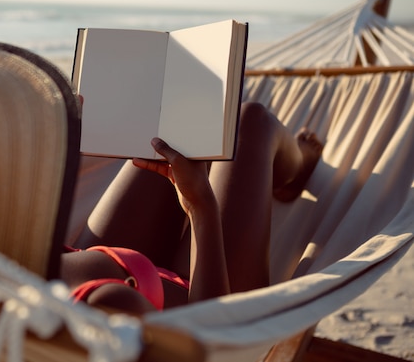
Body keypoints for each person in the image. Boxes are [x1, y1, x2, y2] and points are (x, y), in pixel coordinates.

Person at [60, 101, 323, 314]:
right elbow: (211, 335)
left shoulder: (21, 265)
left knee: (177, 128)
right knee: (250, 121)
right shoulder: (111, 307)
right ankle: (297, 169)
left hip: (102, 260)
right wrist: (201, 206)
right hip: (211, 296)